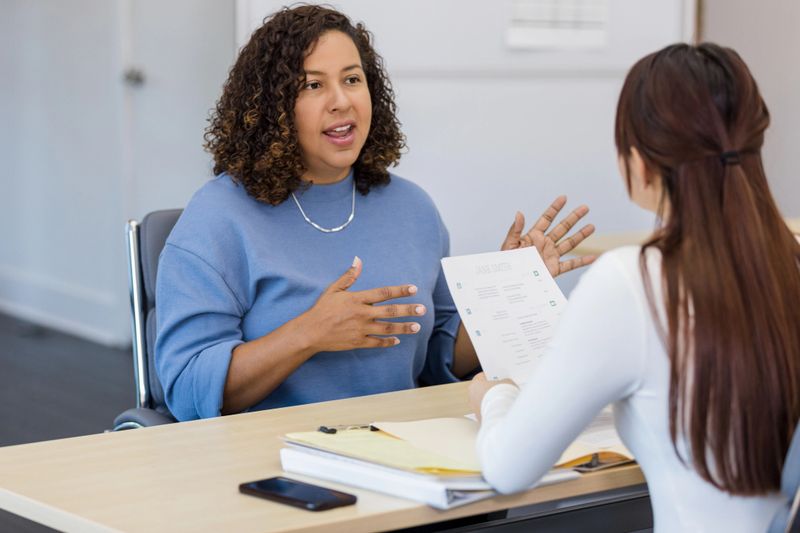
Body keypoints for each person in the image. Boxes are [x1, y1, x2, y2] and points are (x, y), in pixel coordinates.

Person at [155, 5, 595, 421]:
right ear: (271, 107)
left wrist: (510, 292)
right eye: (312, 85)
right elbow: (187, 388)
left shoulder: (412, 208)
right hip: (269, 467)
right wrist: (309, 333)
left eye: (352, 79)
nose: (341, 101)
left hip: (404, 452)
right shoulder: (218, 218)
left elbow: (439, 359)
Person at [468, 42, 800, 532]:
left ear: (639, 162)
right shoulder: (787, 263)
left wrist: (492, 398)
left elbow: (508, 467)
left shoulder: (632, 281)